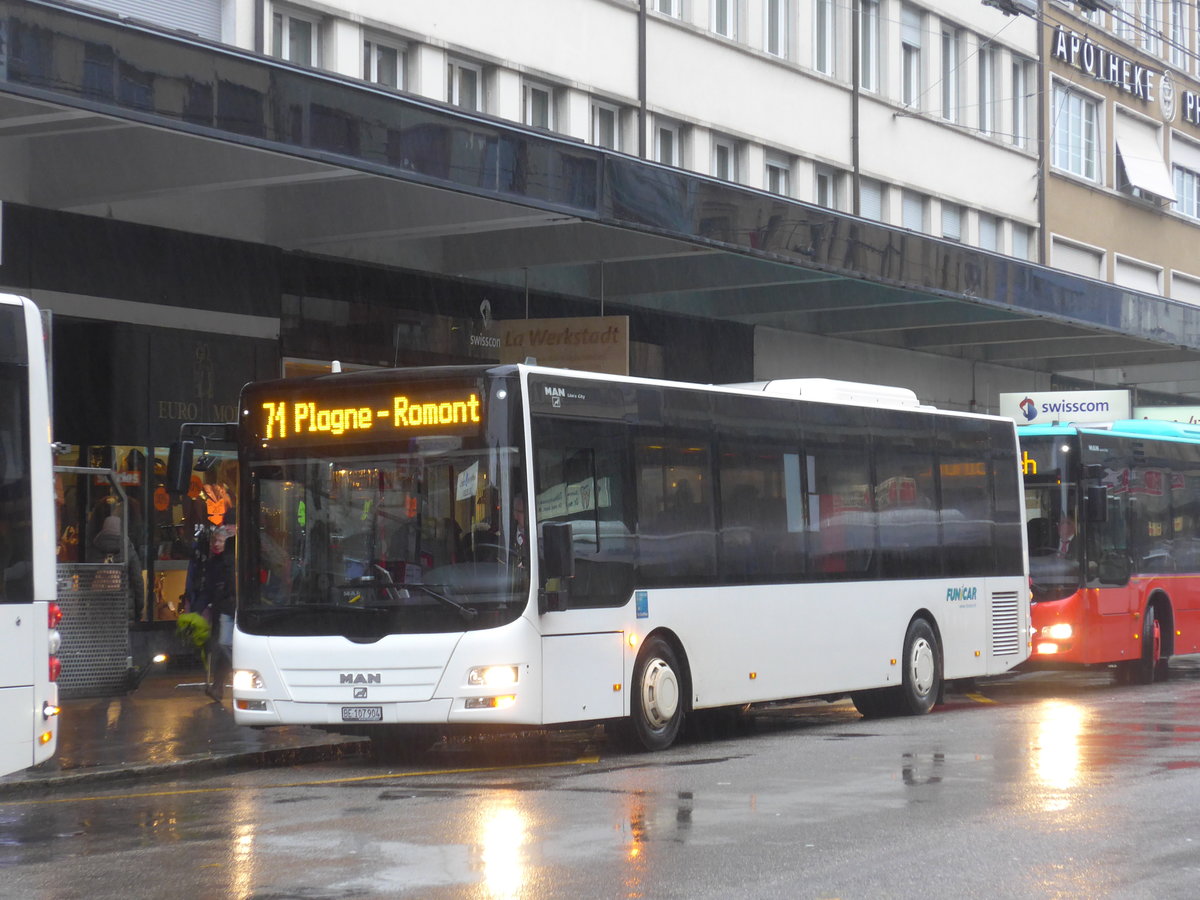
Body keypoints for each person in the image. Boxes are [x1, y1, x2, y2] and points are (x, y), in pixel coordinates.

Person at [183, 525, 236, 702]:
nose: (216, 544)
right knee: (221, 646)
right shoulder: (216, 562)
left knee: (224, 645)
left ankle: (220, 684)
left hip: (231, 608)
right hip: (224, 608)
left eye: (220, 541)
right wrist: (197, 610)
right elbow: (209, 588)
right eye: (214, 540)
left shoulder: (233, 561)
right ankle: (218, 685)